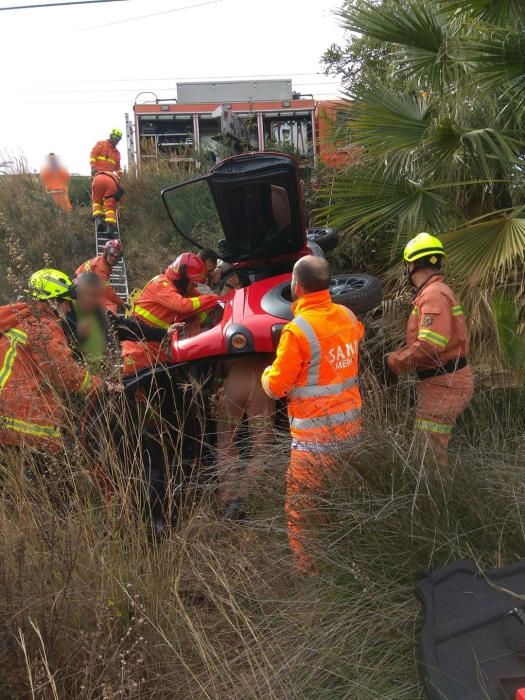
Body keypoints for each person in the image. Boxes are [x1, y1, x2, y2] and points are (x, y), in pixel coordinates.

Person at [261, 256, 364, 575]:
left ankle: (310, 575)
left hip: (314, 444)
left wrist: (265, 374)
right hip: (350, 436)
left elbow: (276, 387)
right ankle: (346, 563)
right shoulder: (347, 315)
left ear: (296, 287)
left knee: (303, 513)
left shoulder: (297, 331)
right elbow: (352, 341)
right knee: (341, 504)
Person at [387, 232, 473, 470]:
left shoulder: (433, 295)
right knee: (429, 452)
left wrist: (395, 362)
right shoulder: (435, 292)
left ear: (412, 264)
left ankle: (438, 505)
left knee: (429, 458)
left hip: (444, 384)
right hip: (443, 381)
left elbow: (430, 345)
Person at [0, 269, 101, 454]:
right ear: (54, 301)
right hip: (22, 418)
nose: (69, 309)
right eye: (66, 303)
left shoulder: (22, 316)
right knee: (58, 474)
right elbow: (64, 373)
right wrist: (101, 386)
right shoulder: (43, 326)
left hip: (7, 411)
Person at [122, 253, 218, 375]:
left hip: (156, 343)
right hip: (139, 345)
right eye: (193, 283)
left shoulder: (181, 288)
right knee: (139, 388)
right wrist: (213, 298)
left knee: (167, 384)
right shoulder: (161, 284)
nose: (195, 286)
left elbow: (199, 302)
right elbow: (182, 305)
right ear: (183, 279)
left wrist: (211, 320)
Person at [62, 271, 172, 374]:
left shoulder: (100, 314)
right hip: (79, 383)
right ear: (77, 293)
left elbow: (129, 328)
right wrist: (78, 336)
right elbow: (59, 357)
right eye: (91, 295)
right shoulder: (64, 314)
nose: (96, 301)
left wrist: (165, 333)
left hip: (102, 379)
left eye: (98, 296)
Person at [216, 354, 275, 520]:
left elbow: (217, 369)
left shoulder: (225, 328)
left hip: (232, 387)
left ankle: (227, 501)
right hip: (261, 389)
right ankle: (243, 500)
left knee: (227, 444)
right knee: (261, 447)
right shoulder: (268, 328)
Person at [90, 129, 125, 235]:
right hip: (111, 180)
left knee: (97, 202)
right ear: (111, 136)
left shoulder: (105, 147)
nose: (116, 140)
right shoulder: (103, 146)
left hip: (99, 178)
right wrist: (120, 179)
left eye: (118, 139)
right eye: (116, 138)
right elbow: (93, 156)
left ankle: (99, 220)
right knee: (110, 206)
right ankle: (109, 228)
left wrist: (93, 167)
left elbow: (92, 156)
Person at [75, 240, 124, 313]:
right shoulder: (100, 268)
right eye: (111, 255)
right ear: (106, 252)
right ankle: (108, 324)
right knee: (111, 306)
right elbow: (107, 291)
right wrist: (121, 302)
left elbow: (105, 286)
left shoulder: (100, 261)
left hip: (82, 286)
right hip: (79, 290)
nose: (113, 259)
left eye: (116, 257)